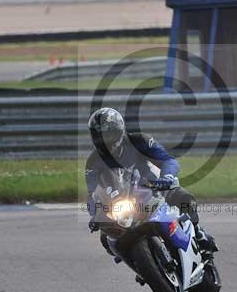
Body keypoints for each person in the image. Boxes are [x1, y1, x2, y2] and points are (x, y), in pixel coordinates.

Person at [85, 107, 217, 253]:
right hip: (121, 204)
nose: (104, 141)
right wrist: (95, 214)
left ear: (119, 131)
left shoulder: (139, 141)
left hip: (155, 188)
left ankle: (197, 233)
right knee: (105, 238)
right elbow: (92, 194)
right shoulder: (93, 162)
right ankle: (138, 263)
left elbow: (168, 160)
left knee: (185, 200)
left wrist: (166, 177)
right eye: (99, 136)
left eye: (109, 135)